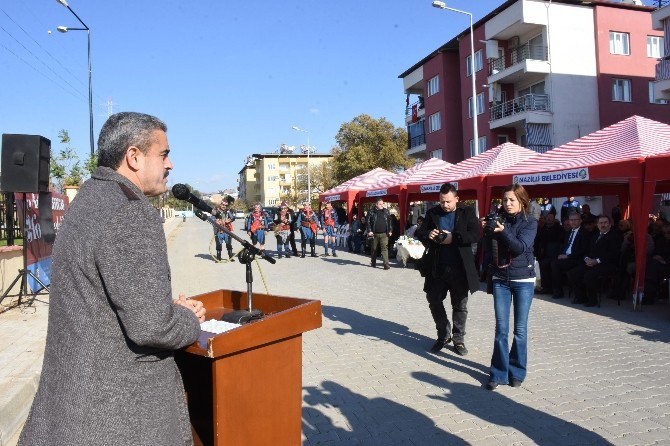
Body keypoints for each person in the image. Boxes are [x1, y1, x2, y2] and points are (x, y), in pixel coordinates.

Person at [18, 112, 206, 446]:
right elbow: (153, 327)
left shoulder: (90, 198)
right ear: (134, 157)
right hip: (118, 416)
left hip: (74, 406)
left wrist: (162, 308)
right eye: (163, 154)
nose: (170, 164)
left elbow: (107, 299)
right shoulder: (129, 211)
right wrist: (187, 317)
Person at [481, 184, 538, 391]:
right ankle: (498, 373)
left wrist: (502, 232)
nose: (507, 204)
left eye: (512, 200)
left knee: (520, 331)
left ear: (522, 201)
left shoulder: (530, 222)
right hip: (500, 279)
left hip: (523, 280)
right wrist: (488, 230)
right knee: (501, 330)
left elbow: (519, 247)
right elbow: (488, 248)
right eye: (505, 200)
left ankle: (517, 371)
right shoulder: (499, 219)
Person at [414, 183, 480, 356]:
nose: (445, 205)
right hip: (437, 267)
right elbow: (419, 232)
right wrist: (427, 234)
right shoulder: (433, 213)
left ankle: (458, 340)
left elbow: (476, 234)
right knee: (434, 300)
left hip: (460, 268)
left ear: (457, 199)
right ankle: (443, 335)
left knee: (460, 305)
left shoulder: (467, 212)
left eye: (449, 202)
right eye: (442, 202)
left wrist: (454, 238)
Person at [567, 215, 623, 307]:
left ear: (609, 225)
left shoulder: (615, 236)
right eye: (601, 223)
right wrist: (586, 259)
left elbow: (613, 254)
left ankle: (593, 300)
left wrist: (597, 261)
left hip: (607, 264)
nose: (603, 225)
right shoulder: (595, 235)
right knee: (573, 273)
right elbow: (587, 250)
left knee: (589, 275)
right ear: (597, 224)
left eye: (605, 223)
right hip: (591, 262)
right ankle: (581, 297)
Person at [549, 211, 590, 299]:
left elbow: (584, 250)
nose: (573, 222)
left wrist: (567, 256)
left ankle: (558, 292)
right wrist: (560, 254)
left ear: (580, 221)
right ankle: (552, 289)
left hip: (577, 259)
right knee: (549, 262)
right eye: (571, 220)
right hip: (567, 257)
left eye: (576, 220)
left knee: (555, 264)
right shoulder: (568, 232)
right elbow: (565, 246)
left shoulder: (584, 233)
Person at [365, 198, 393, 270]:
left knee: (384, 249)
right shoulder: (371, 212)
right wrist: (369, 231)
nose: (382, 205)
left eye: (382, 204)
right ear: (376, 204)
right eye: (380, 204)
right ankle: (373, 262)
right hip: (374, 234)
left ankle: (386, 264)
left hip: (384, 234)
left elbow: (390, 222)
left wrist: (390, 230)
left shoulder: (386, 211)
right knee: (374, 249)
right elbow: (367, 222)